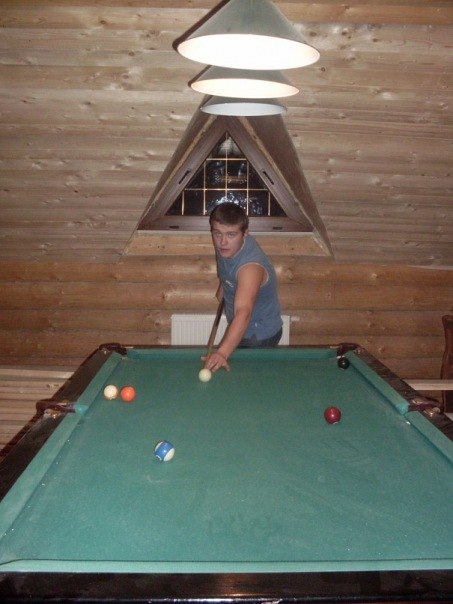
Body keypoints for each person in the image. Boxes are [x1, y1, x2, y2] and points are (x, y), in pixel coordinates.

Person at [203, 202, 282, 373]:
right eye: (217, 233)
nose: (222, 241)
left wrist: (222, 353)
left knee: (247, 381)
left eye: (231, 234)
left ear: (245, 233)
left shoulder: (251, 268)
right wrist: (224, 287)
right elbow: (228, 270)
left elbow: (243, 312)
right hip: (243, 328)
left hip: (259, 335)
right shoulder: (227, 246)